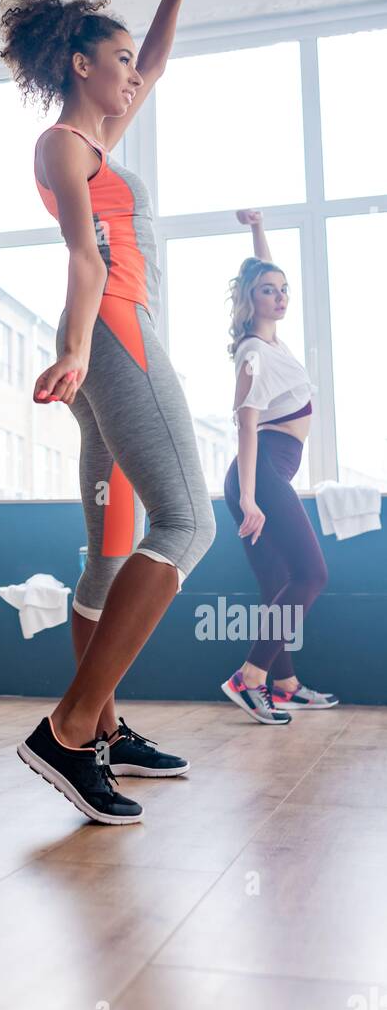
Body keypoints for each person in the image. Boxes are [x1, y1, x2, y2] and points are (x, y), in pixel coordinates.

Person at [0, 0, 216, 825]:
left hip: (107, 341)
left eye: (131, 60)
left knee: (110, 549)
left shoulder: (92, 139)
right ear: (81, 65)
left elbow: (156, 65)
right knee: (187, 521)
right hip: (116, 335)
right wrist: (82, 349)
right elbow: (84, 258)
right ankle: (71, 726)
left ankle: (105, 729)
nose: (133, 72)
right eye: (117, 58)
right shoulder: (60, 145)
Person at [221, 209, 337, 722]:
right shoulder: (255, 354)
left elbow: (262, 270)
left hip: (269, 473)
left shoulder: (271, 341)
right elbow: (245, 425)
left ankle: (285, 683)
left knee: (279, 585)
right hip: (261, 473)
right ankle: (250, 678)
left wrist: (256, 231)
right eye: (269, 291)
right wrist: (249, 497)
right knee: (312, 575)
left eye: (284, 289)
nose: (281, 296)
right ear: (252, 300)